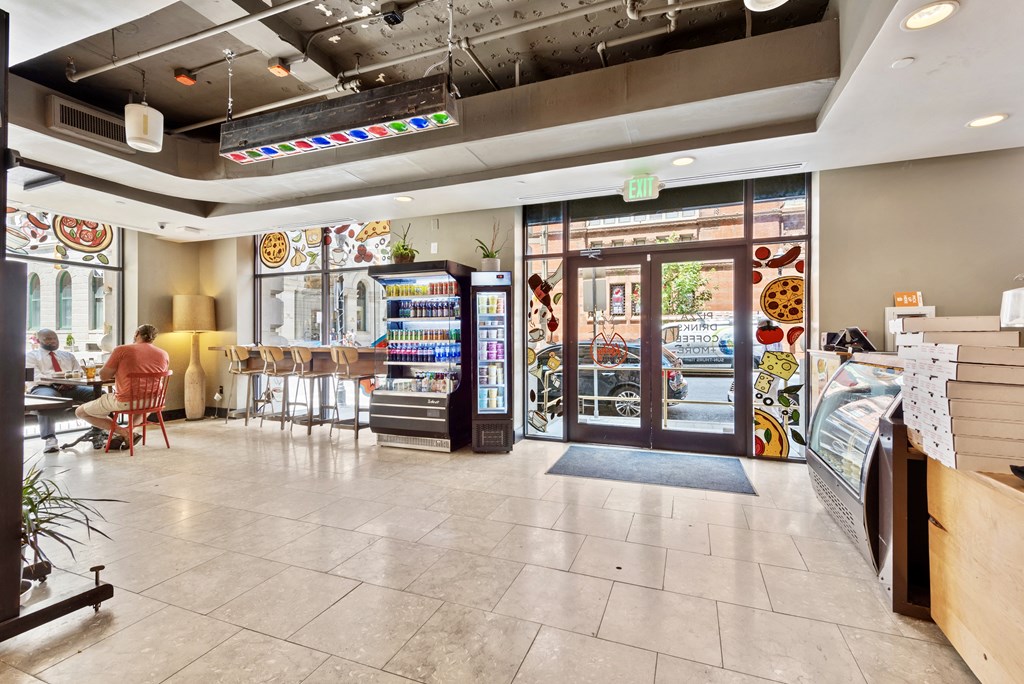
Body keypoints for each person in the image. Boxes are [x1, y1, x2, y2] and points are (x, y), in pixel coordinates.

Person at [76, 324, 170, 450]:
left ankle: (125, 433)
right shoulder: (163, 354)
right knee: (143, 405)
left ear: (137, 334)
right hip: (154, 401)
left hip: (127, 401)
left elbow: (104, 376)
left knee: (80, 412)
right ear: (153, 338)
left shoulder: (122, 350)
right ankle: (127, 434)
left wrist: (117, 371)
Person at [27, 329, 99, 453]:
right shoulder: (31, 356)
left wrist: (68, 382)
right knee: (48, 400)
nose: (53, 341)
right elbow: (35, 377)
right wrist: (57, 380)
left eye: (55, 338)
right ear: (38, 341)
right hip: (44, 387)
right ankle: (50, 439)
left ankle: (101, 430)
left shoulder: (68, 356)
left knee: (98, 394)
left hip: (71, 387)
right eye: (48, 339)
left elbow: (80, 373)